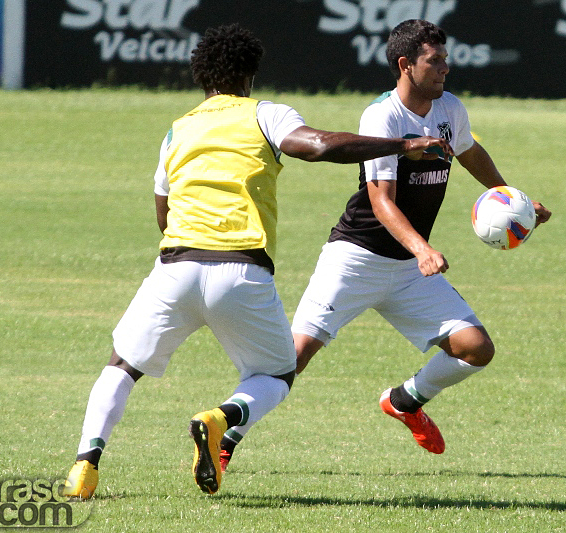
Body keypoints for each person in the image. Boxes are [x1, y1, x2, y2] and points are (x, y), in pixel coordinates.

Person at [61, 22, 454, 499]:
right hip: (241, 272)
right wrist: (401, 144)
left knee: (122, 365)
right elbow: (319, 146)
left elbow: (163, 210)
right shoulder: (265, 113)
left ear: (201, 77)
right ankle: (221, 418)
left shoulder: (177, 129)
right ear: (249, 74)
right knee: (276, 374)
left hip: (175, 266)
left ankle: (85, 464)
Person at [219, 19, 551, 466]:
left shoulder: (449, 108)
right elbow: (381, 201)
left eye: (446, 60)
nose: (445, 69)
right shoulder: (383, 117)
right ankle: (225, 439)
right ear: (405, 64)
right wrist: (424, 250)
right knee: (291, 360)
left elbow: (469, 151)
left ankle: (405, 401)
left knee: (476, 349)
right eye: (434, 62)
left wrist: (515, 200)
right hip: (355, 258)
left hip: (408, 268)